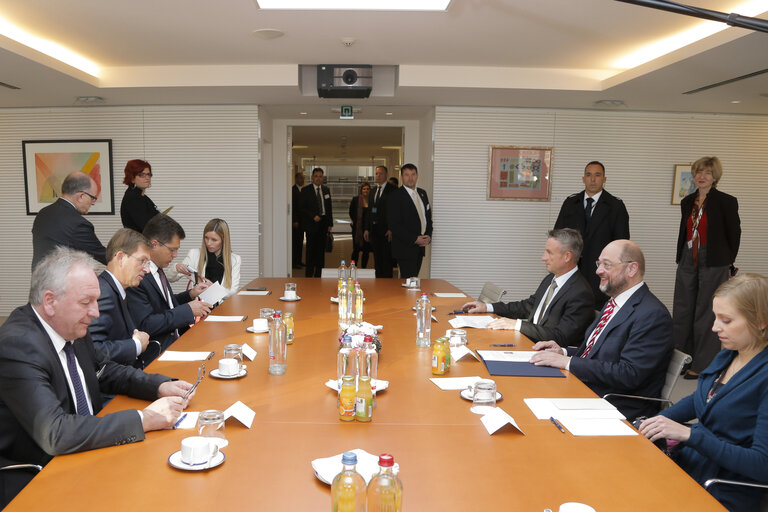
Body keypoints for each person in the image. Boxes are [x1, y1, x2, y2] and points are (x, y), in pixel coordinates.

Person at [0, 247, 193, 507]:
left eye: (95, 301)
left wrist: (158, 385)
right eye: (85, 302)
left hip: (88, 452)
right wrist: (144, 418)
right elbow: (55, 433)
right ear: (50, 301)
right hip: (42, 477)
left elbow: (104, 370)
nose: (96, 313)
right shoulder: (18, 345)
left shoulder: (69, 325)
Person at [640, 273, 768, 512]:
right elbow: (701, 399)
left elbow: (762, 464)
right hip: (693, 467)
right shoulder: (730, 354)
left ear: (761, 321)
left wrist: (690, 436)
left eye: (726, 320)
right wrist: (659, 421)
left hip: (721, 488)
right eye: (715, 317)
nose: (714, 327)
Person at [531, 240, 673, 420]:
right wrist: (563, 351)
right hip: (589, 389)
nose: (598, 271)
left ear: (632, 269)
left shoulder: (652, 315)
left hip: (616, 405)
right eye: (599, 264)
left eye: (607, 265)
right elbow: (599, 352)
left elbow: (629, 374)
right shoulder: (614, 302)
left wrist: (568, 362)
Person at [461, 229, 595, 347]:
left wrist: (517, 325)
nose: (543, 257)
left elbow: (561, 336)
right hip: (526, 343)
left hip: (545, 354)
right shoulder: (550, 279)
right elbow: (528, 306)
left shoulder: (581, 293)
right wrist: (487, 307)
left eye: (549, 253)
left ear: (567, 256)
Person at [673, 156, 741, 380]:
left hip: (714, 259)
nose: (702, 177)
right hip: (687, 257)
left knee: (706, 311)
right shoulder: (688, 201)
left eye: (708, 173)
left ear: (715, 177)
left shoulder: (726, 201)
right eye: (699, 172)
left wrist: (728, 261)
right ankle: (681, 359)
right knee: (683, 310)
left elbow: (734, 234)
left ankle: (702, 365)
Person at [126, 214, 211, 349]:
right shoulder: (138, 276)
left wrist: (191, 294)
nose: (175, 255)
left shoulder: (158, 269)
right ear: (154, 244)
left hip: (179, 338)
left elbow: (166, 304)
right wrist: (187, 311)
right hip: (160, 348)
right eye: (172, 249)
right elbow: (146, 324)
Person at [554, 161, 630, 309]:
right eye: (588, 175)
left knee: (596, 313)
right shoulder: (570, 203)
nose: (593, 179)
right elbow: (558, 238)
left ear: (604, 179)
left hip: (601, 271)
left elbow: (622, 244)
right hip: (572, 268)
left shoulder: (615, 206)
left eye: (597, 175)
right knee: (570, 309)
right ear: (583, 178)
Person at [88, 229, 159, 369]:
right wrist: (136, 345)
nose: (147, 270)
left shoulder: (116, 288)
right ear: (120, 258)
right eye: (142, 261)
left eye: (148, 263)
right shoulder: (103, 293)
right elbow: (92, 350)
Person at [31, 171, 107, 269]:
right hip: (63, 282)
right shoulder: (78, 224)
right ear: (81, 196)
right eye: (93, 198)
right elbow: (102, 255)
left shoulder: (43, 213)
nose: (93, 203)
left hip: (40, 280)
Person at [387, 163, 432, 279]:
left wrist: (428, 236)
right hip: (405, 248)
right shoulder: (395, 196)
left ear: (417, 176)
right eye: (407, 175)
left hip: (420, 248)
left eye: (413, 174)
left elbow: (427, 218)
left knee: (414, 280)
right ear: (402, 177)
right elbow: (394, 225)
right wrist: (414, 239)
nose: (410, 178)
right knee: (409, 281)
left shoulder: (422, 193)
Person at [174, 218, 241, 296]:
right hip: (198, 306)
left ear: (223, 240)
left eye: (214, 240)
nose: (209, 243)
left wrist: (213, 288)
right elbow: (171, 279)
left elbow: (233, 292)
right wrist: (176, 267)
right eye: (206, 238)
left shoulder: (235, 259)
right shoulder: (194, 254)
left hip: (222, 306)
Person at [300, 167, 333, 278]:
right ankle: (309, 275)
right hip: (311, 224)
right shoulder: (306, 190)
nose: (318, 178)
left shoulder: (326, 190)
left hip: (323, 224)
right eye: (316, 176)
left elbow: (329, 208)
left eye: (320, 176)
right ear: (312, 177)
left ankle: (319, 275)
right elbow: (302, 208)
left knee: (320, 252)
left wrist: (330, 223)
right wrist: (313, 216)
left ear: (322, 178)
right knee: (310, 251)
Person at [365, 165, 395, 278]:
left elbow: (395, 212)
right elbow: (370, 211)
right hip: (374, 231)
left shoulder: (393, 190)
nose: (378, 176)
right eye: (376, 173)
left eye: (381, 173)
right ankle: (379, 283)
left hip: (387, 232)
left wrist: (391, 228)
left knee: (386, 260)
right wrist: (367, 228)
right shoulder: (373, 191)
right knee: (377, 260)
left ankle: (388, 286)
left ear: (386, 175)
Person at [120, 159, 159, 233]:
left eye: (148, 174)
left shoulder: (142, 196)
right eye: (142, 175)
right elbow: (147, 227)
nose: (147, 178)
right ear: (132, 178)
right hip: (138, 243)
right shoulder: (133, 198)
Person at [349, 182, 372, 268]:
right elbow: (351, 212)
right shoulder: (356, 199)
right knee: (356, 250)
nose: (366, 190)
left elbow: (374, 213)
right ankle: (353, 267)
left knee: (366, 250)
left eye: (368, 189)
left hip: (368, 229)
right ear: (361, 190)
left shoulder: (372, 200)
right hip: (357, 229)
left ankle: (364, 268)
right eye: (364, 189)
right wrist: (356, 221)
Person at [292, 171, 305, 269]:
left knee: (300, 241)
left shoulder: (303, 190)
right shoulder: (293, 190)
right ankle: (294, 262)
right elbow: (293, 207)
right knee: (295, 242)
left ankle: (299, 261)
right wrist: (295, 220)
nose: (303, 180)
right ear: (296, 179)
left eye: (303, 178)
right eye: (301, 178)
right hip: (296, 221)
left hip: (302, 221)